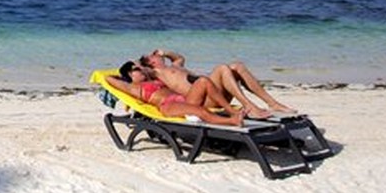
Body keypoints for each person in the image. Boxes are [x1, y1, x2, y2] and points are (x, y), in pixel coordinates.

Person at [140, 48, 294, 118]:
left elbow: (180, 58)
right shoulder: (157, 73)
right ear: (151, 62)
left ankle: (272, 103)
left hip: (212, 93)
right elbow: (137, 68)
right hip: (203, 101)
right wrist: (141, 64)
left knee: (237, 66)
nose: (156, 56)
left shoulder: (174, 66)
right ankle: (250, 107)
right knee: (222, 68)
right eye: (152, 56)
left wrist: (165, 52)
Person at [105, 61, 246, 127]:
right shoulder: (133, 88)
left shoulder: (153, 79)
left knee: (203, 81)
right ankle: (232, 121)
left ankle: (231, 111)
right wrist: (121, 76)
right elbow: (107, 78)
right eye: (137, 68)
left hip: (184, 100)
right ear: (130, 74)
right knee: (199, 110)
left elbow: (178, 60)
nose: (141, 69)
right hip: (168, 105)